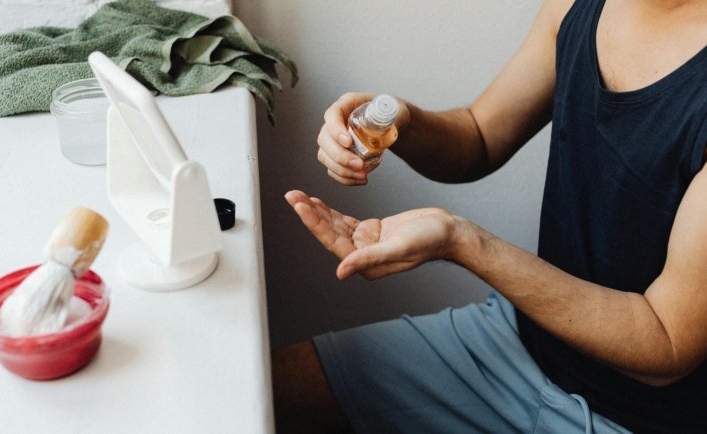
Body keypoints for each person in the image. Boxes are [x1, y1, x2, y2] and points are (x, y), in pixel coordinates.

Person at [273, 0, 707, 433]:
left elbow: (665, 344)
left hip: (643, 419)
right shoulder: (575, 6)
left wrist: (464, 243)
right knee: (265, 392)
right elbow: (479, 136)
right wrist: (398, 124)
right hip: (519, 343)